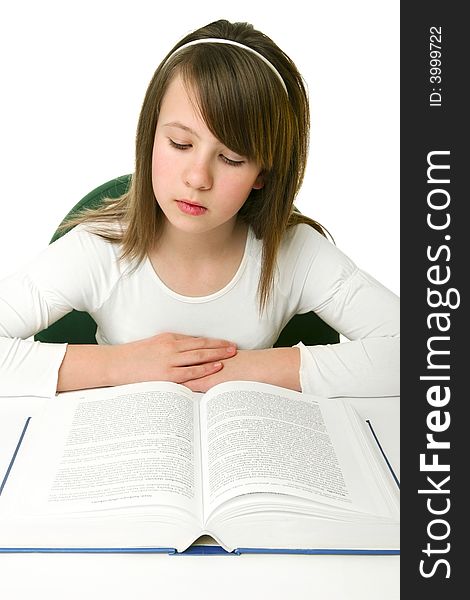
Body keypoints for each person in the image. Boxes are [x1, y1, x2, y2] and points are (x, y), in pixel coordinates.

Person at [0, 19, 399, 399]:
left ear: (263, 172)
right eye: (180, 144)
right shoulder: (100, 248)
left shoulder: (294, 252)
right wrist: (124, 364)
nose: (197, 178)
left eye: (231, 158)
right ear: (150, 136)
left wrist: (240, 369)